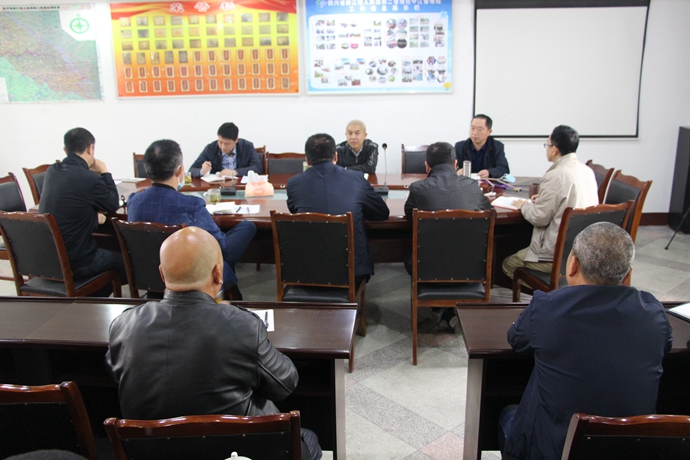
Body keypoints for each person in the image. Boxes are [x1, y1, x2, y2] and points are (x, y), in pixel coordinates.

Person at [106, 227, 322, 460]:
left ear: (162, 274)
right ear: (218, 273)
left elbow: (116, 373)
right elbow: (285, 384)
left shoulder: (122, 325)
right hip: (238, 451)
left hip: (150, 453)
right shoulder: (243, 325)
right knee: (308, 439)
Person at [499, 222, 673, 460]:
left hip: (556, 451)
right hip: (630, 450)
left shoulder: (547, 308)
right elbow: (666, 346)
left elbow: (517, 339)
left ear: (572, 265)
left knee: (508, 414)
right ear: (627, 275)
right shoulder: (653, 312)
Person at [127, 139, 256, 295]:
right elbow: (220, 245)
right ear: (180, 170)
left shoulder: (133, 201)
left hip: (149, 273)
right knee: (245, 228)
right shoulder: (191, 205)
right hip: (191, 273)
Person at [404, 141, 492, 332]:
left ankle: (440, 309)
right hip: (471, 269)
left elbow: (410, 216)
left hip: (426, 269)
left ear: (427, 166)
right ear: (455, 164)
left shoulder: (418, 188)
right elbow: (488, 212)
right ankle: (449, 312)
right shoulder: (472, 186)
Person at [287, 133, 389, 281]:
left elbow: (294, 211)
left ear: (307, 159)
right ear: (336, 156)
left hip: (306, 271)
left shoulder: (294, 183)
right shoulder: (356, 178)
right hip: (353, 272)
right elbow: (382, 212)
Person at [502, 125, 598, 279]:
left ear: (554, 149)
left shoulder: (556, 175)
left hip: (556, 255)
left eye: (547, 144)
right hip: (583, 250)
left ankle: (547, 292)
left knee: (508, 263)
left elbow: (539, 217)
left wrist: (524, 206)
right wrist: (543, 199)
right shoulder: (587, 171)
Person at [39, 127, 126, 292]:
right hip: (76, 262)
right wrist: (105, 172)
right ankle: (93, 296)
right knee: (125, 261)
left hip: (49, 259)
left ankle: (92, 295)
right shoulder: (89, 178)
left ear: (65, 150)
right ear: (90, 148)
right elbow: (112, 204)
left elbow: (70, 206)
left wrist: (92, 216)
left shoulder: (52, 171)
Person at [189, 122, 263, 177]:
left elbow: (258, 168)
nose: (223, 147)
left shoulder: (247, 147)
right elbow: (191, 170)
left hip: (240, 186)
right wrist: (202, 171)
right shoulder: (211, 148)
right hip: (218, 186)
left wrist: (235, 172)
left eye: (227, 144)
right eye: (220, 142)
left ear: (236, 140)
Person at [455, 114, 510, 179]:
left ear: (489, 132)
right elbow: (449, 168)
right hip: (466, 183)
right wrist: (457, 172)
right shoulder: (459, 147)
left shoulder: (497, 146)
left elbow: (504, 169)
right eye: (472, 128)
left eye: (479, 129)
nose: (475, 133)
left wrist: (489, 172)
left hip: (487, 184)